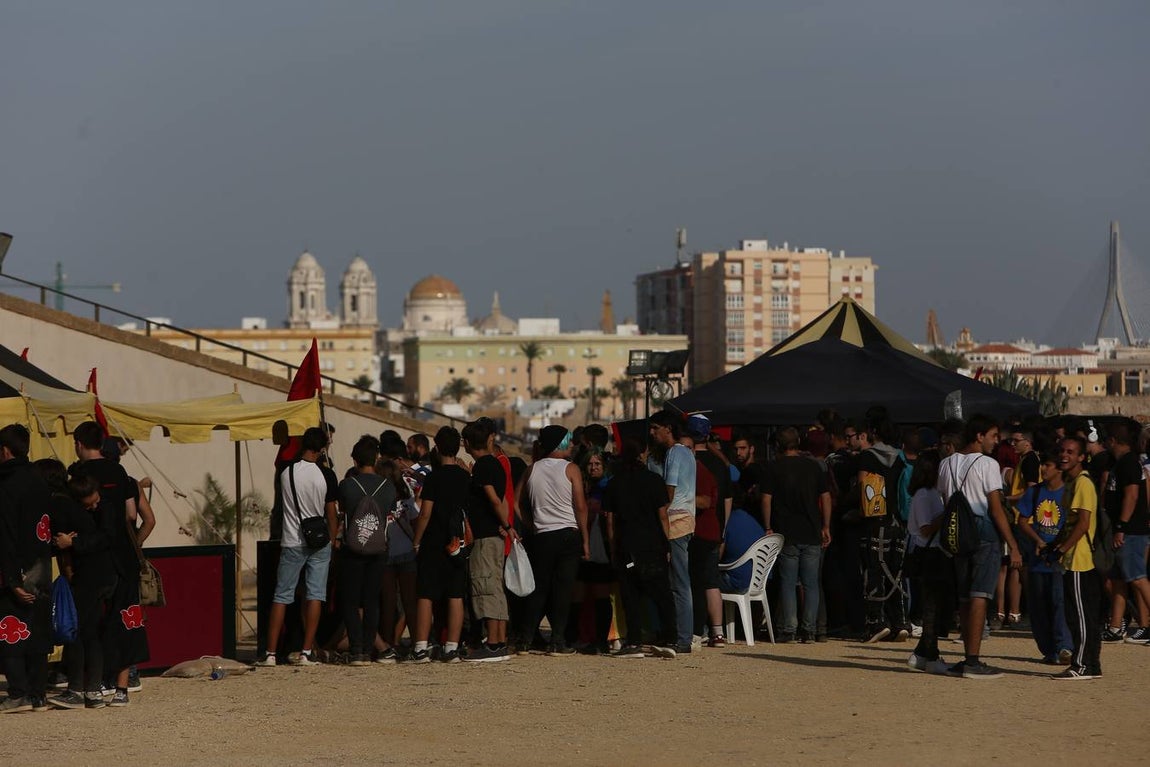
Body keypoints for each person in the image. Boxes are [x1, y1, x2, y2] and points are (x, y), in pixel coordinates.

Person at [68, 421, 149, 705]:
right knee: (124, 620)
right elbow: (130, 514)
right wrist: (134, 545)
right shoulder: (119, 471)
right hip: (123, 557)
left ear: (78, 443)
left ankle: (93, 683)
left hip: (92, 560)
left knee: (90, 624)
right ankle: (123, 688)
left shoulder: (77, 475)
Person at [937, 415, 1022, 680]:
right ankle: (972, 659)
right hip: (984, 535)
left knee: (964, 596)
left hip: (957, 535)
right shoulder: (988, 464)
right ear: (979, 436)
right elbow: (996, 509)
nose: (996, 441)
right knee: (979, 595)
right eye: (993, 435)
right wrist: (1013, 545)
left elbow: (945, 500)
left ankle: (967, 657)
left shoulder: (946, 464)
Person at [257, 427, 338, 667]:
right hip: (319, 541)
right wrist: (332, 541)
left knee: (282, 596)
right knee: (315, 595)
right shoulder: (327, 475)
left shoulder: (286, 472)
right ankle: (306, 651)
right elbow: (331, 513)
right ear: (322, 448)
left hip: (292, 539)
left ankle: (270, 653)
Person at [47, 469, 118, 710]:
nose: (92, 507)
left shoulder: (67, 509)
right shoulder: (83, 509)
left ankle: (78, 689)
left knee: (78, 631)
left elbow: (103, 539)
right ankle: (93, 691)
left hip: (90, 577)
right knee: (90, 632)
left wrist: (71, 543)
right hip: (101, 575)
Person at [602, 438, 677, 658]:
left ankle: (634, 641)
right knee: (662, 593)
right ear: (643, 454)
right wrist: (667, 543)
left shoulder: (614, 483)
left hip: (628, 544)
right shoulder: (654, 480)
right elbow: (663, 516)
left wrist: (614, 547)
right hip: (653, 544)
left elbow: (610, 522)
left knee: (630, 595)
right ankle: (671, 638)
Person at [520, 425, 589, 656]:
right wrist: (585, 538)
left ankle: (526, 637)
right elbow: (580, 506)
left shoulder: (531, 470)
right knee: (563, 589)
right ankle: (557, 640)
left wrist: (531, 524)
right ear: (559, 443)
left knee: (538, 588)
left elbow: (515, 503)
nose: (571, 445)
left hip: (542, 535)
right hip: (568, 533)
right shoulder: (571, 469)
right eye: (568, 441)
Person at [0, 424, 55, 713]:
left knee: (12, 630)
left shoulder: (6, 485)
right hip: (42, 566)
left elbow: (5, 535)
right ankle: (38, 694)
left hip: (16, 569)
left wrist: (12, 580)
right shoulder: (39, 481)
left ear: (5, 450)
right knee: (38, 631)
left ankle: (18, 693)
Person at [763, 426, 831, 643]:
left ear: (779, 446)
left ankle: (789, 628)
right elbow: (826, 497)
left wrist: (767, 526)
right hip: (811, 530)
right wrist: (826, 525)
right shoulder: (814, 467)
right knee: (811, 583)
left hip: (787, 532)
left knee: (788, 581)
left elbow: (766, 499)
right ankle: (810, 629)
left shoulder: (774, 468)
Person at [460, 418, 518, 662]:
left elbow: (494, 499)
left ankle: (493, 643)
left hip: (485, 536)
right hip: (494, 535)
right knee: (495, 587)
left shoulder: (483, 467)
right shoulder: (494, 465)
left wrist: (506, 525)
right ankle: (499, 640)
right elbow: (503, 500)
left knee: (485, 588)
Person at [410, 427, 468, 663]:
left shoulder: (434, 477)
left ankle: (421, 647)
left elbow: (425, 513)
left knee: (426, 593)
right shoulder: (465, 477)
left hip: (434, 540)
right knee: (455, 594)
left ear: (437, 447)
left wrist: (417, 540)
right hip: (457, 541)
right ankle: (451, 647)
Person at [336, 436, 395, 666]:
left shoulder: (347, 485)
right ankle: (370, 647)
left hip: (353, 548)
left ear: (354, 460)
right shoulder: (387, 487)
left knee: (351, 600)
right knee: (372, 600)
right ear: (376, 459)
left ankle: (357, 650)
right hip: (379, 549)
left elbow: (343, 510)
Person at [1048, 437, 1102, 680]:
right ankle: (1092, 665)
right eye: (1061, 451)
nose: (1064, 455)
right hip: (1072, 557)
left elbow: (1082, 524)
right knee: (1080, 614)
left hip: (1080, 559)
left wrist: (1061, 549)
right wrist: (1054, 545)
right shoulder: (1072, 483)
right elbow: (1068, 524)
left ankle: (1081, 665)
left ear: (1082, 457)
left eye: (1070, 452)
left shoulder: (1083, 483)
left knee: (1079, 614)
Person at [1014, 451, 1073, 665]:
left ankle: (1064, 645)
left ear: (1059, 468)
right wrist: (1037, 540)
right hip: (1037, 560)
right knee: (1038, 606)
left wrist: (1060, 545)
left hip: (1059, 559)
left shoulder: (1068, 493)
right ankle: (1049, 650)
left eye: (1048, 464)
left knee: (1059, 603)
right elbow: (1022, 520)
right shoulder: (1035, 492)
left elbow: (1073, 523)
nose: (1043, 469)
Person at [857, 413, 909, 643]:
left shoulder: (867, 457)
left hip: (875, 521)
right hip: (899, 522)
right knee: (896, 573)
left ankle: (875, 623)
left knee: (874, 571)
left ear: (873, 432)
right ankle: (899, 622)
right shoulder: (901, 457)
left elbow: (862, 487)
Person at [647, 410, 696, 653]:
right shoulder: (683, 453)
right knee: (677, 581)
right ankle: (679, 635)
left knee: (679, 583)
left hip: (676, 521)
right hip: (683, 520)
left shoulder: (676, 453)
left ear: (667, 428)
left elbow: (669, 493)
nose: (652, 433)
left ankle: (684, 638)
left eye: (655, 428)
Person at [904, 449, 952, 673]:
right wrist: (948, 514)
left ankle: (923, 652)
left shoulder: (932, 492)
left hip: (934, 552)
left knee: (935, 606)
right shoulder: (924, 494)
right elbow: (925, 529)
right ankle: (930, 654)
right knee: (930, 607)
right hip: (927, 553)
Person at [1103, 421, 1150, 644]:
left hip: (1130, 531)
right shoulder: (1124, 463)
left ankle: (1145, 624)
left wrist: (1121, 526)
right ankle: (1115, 627)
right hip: (1123, 530)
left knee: (1138, 579)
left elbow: (1132, 496)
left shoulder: (1129, 463)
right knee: (1119, 579)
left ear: (1113, 440)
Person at [684, 415, 726, 647]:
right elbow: (727, 500)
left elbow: (707, 500)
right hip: (715, 528)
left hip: (697, 530)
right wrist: (724, 530)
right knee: (711, 581)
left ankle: (696, 630)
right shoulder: (720, 463)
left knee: (695, 582)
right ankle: (717, 632)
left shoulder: (690, 464)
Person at [1000, 429, 1039, 630]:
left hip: (1026, 518)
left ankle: (1028, 610)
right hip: (1020, 517)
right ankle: (1015, 612)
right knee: (1017, 566)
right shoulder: (1024, 460)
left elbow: (1032, 488)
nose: (1012, 444)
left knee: (1023, 567)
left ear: (1028, 442)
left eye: (1016, 440)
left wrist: (1008, 499)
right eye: (1011, 440)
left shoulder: (1031, 460)